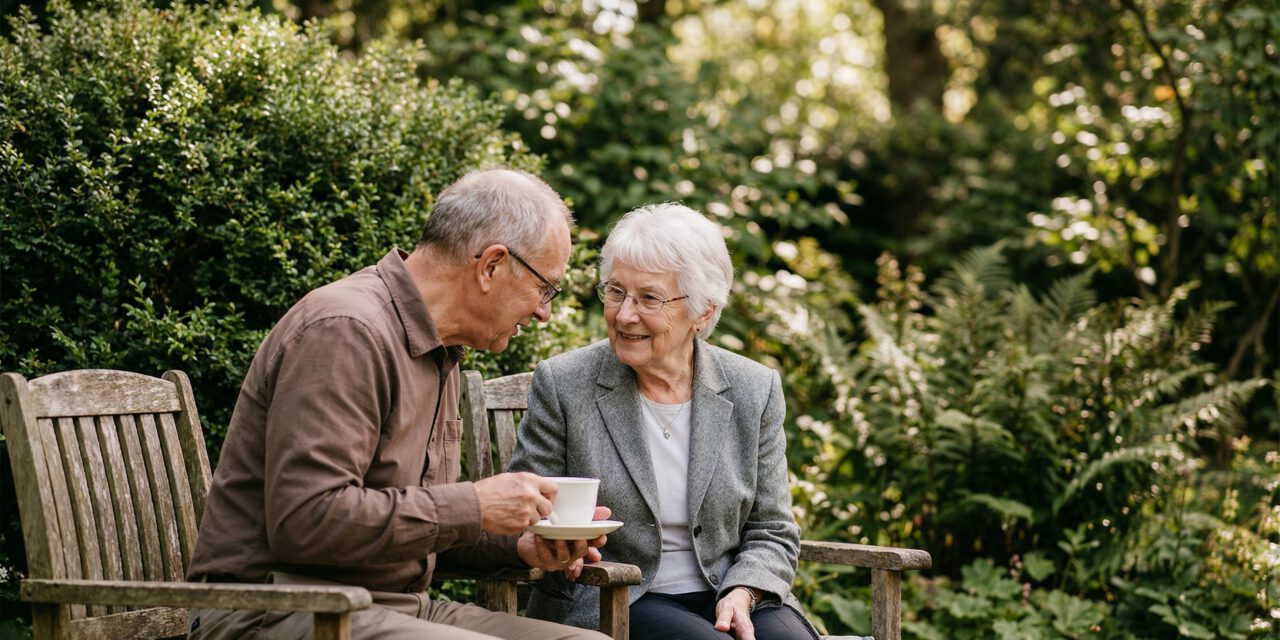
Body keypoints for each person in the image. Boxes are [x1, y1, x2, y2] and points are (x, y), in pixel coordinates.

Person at [186, 168, 610, 640]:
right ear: (491, 266)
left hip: (394, 608)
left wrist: (522, 546)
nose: (543, 311)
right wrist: (473, 504)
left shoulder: (439, 347)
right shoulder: (346, 330)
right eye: (544, 288)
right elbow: (306, 521)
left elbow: (410, 523)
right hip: (276, 607)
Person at [509, 203, 819, 640]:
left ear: (703, 312)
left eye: (648, 298)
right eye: (615, 291)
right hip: (619, 595)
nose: (624, 314)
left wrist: (745, 590)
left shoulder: (754, 388)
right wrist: (554, 542)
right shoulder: (565, 384)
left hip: (727, 591)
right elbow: (523, 504)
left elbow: (772, 528)